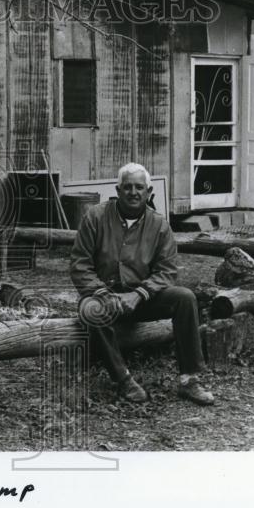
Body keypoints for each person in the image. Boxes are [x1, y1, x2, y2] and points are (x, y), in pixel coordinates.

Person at [70, 163, 214, 405]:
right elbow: (79, 265)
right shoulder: (95, 217)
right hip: (105, 298)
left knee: (185, 297)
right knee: (89, 309)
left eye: (139, 187)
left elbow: (167, 271)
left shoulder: (159, 225)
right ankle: (123, 379)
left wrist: (139, 294)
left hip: (142, 299)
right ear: (117, 190)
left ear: (149, 192)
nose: (133, 192)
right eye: (127, 187)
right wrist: (103, 294)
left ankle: (190, 379)